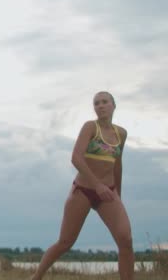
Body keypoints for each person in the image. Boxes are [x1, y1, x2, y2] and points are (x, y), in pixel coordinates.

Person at [31, 91, 133, 280]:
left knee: (125, 240)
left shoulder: (121, 133)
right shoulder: (90, 127)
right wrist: (97, 185)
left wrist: (117, 192)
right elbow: (76, 158)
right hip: (83, 191)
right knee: (65, 242)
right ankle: (36, 277)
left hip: (108, 193)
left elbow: (117, 164)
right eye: (96, 103)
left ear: (113, 105)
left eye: (104, 102)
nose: (100, 106)